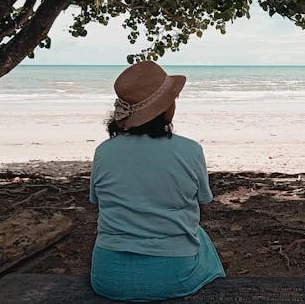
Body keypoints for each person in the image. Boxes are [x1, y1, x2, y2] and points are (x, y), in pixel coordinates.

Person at [89, 61, 225, 301]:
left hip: (108, 276)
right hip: (173, 275)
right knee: (201, 238)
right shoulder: (190, 150)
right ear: (166, 108)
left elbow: (98, 203)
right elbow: (202, 204)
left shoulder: (104, 151)